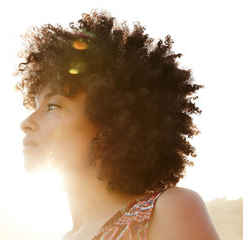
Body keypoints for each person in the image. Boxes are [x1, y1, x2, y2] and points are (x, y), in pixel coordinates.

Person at [16, 10, 220, 240]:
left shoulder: (167, 211)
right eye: (34, 106)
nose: (26, 123)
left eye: (53, 106)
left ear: (110, 121)